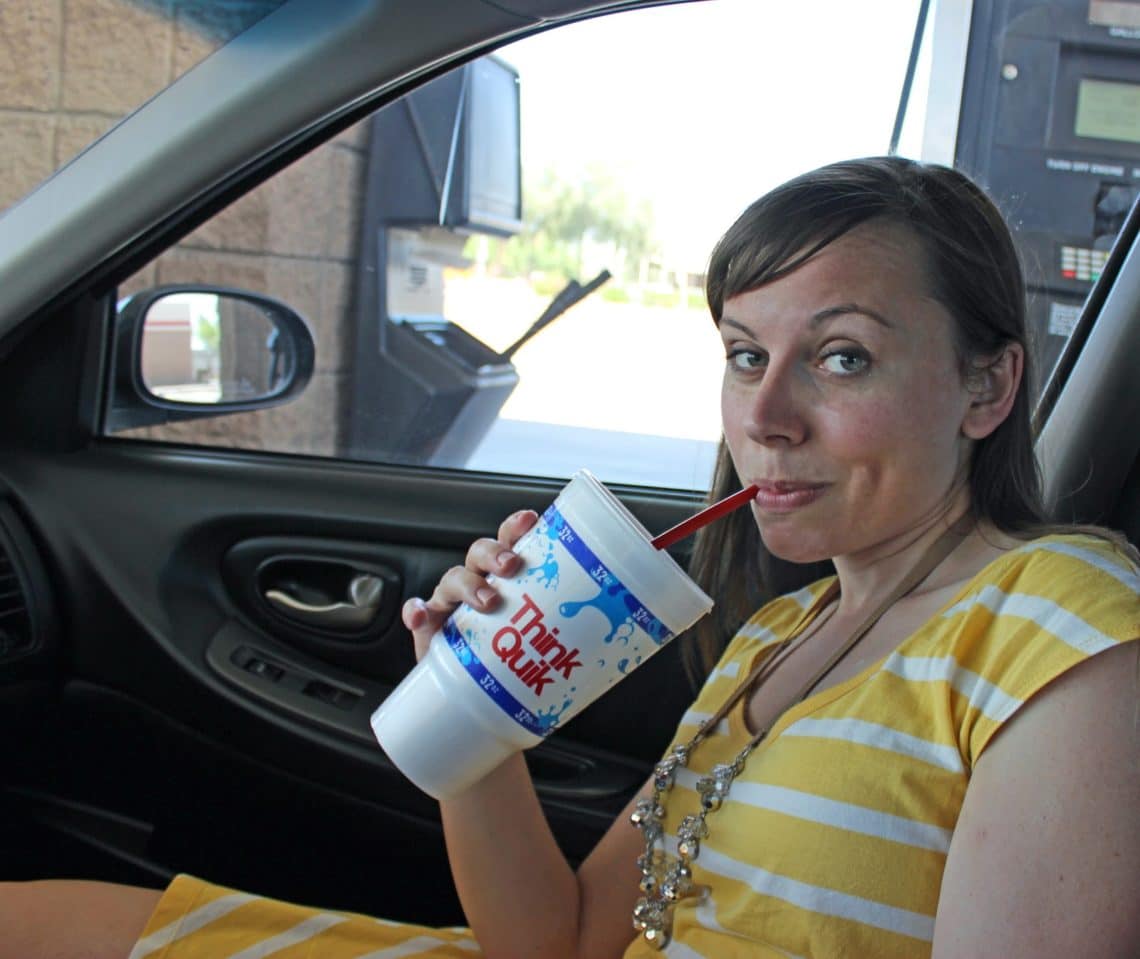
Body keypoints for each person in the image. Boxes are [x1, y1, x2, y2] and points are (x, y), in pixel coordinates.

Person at [3, 156, 1138, 959]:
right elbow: (558, 938)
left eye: (841, 358)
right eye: (747, 355)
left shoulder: (1064, 627)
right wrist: (473, 709)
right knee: (35, 919)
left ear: (987, 387)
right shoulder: (774, 636)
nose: (769, 415)